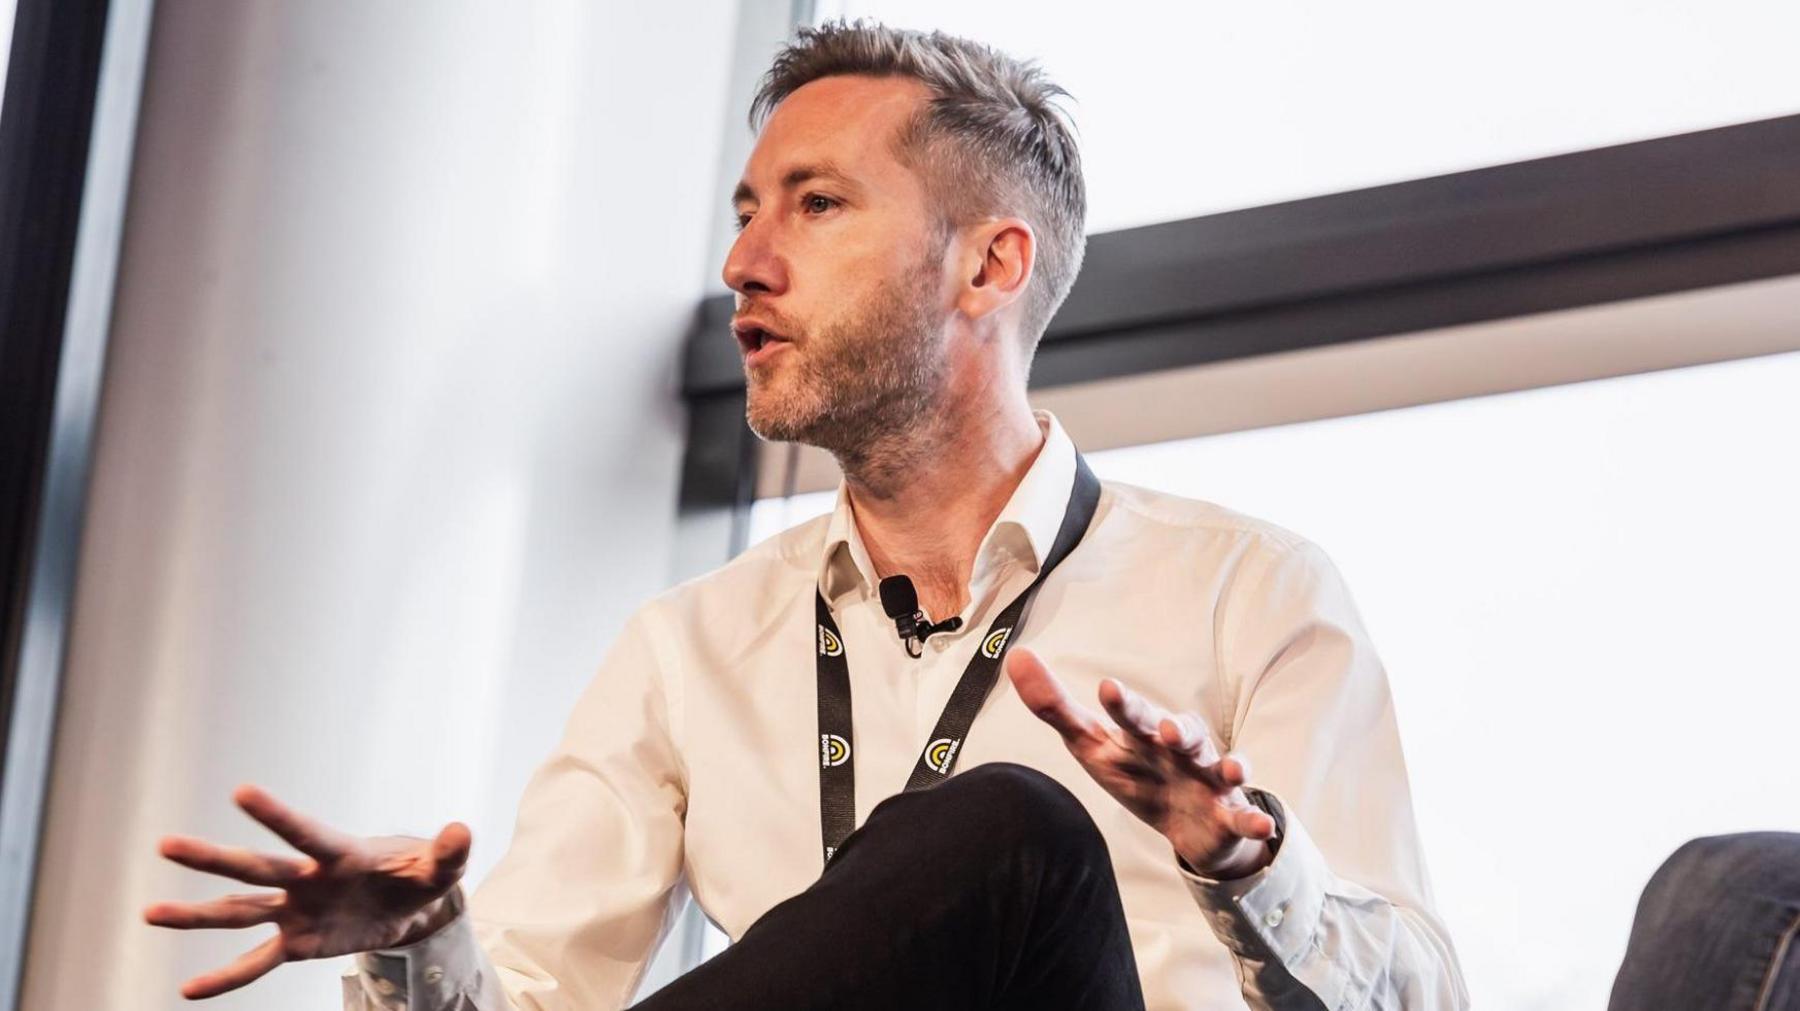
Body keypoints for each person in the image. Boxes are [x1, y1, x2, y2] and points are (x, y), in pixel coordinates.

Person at [145, 21, 1467, 1010]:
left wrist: (1241, 856)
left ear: (989, 264)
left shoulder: (1248, 593)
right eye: (744, 212)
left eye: (817, 205)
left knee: (1015, 833)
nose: (742, 264)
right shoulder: (693, 647)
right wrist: (418, 946)